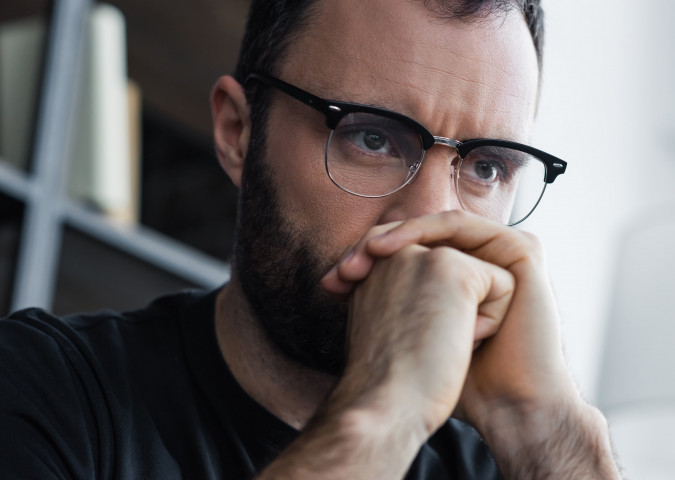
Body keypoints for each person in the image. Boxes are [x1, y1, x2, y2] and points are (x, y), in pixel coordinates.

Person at [0, 0, 623, 478]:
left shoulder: (505, 462)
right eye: (373, 139)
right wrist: (382, 418)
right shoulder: (42, 392)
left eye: (486, 167)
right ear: (238, 131)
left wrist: (552, 438)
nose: (428, 221)